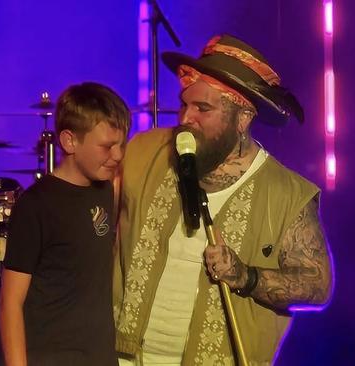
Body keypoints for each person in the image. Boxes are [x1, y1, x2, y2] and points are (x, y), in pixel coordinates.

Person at [113, 35, 334, 365]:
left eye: (203, 108)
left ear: (243, 118)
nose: (187, 118)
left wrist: (247, 277)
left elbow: (317, 286)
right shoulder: (144, 152)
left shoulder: (285, 193)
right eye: (185, 104)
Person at [0, 82, 131, 365]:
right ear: (69, 141)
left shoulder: (106, 189)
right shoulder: (36, 205)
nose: (118, 155)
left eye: (122, 144)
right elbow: (10, 303)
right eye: (107, 146)